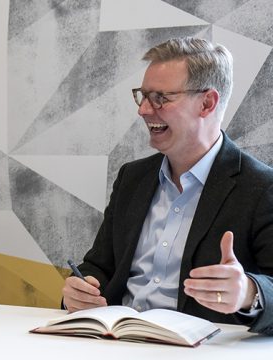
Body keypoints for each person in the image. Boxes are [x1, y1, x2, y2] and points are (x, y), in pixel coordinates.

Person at [62, 37, 273, 335]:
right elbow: (98, 268)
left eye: (160, 98)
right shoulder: (132, 178)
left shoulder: (262, 187)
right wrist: (79, 290)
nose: (144, 110)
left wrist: (249, 293)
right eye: (143, 96)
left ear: (207, 103)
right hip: (113, 343)